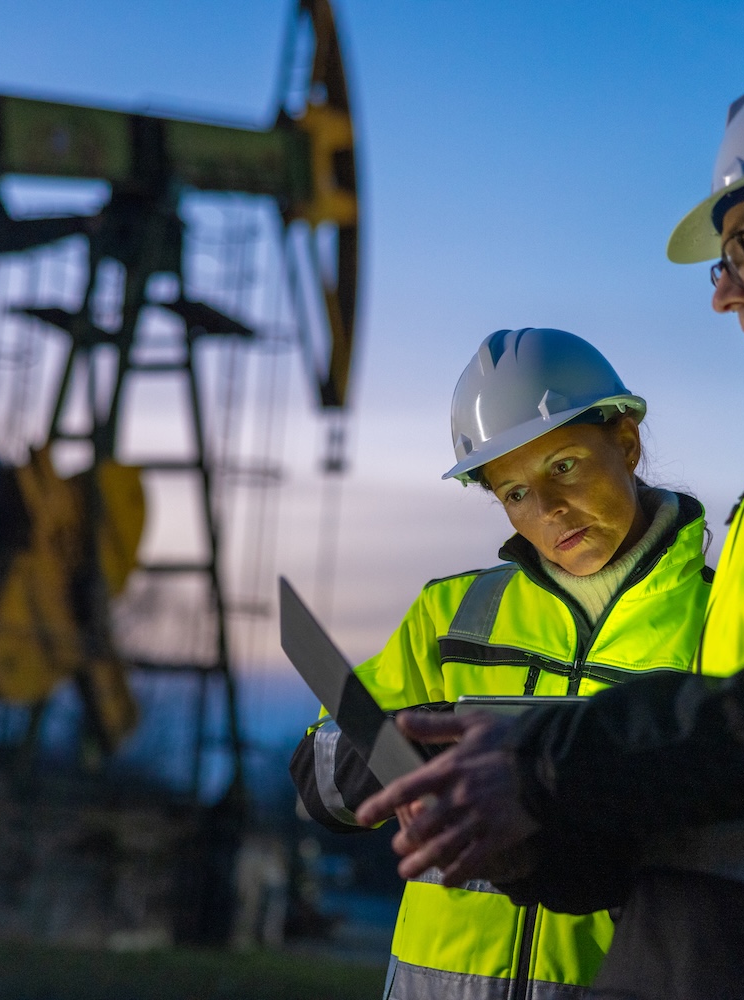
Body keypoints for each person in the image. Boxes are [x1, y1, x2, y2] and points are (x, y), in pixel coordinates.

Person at [355, 65, 744, 999]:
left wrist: (546, 761)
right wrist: (546, 845)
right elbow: (738, 783)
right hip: (718, 960)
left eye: (743, 252)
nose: (724, 296)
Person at [290, 326, 712, 999]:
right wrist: (428, 748)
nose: (546, 511)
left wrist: (533, 759)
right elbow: (320, 778)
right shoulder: (452, 617)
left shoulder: (718, 622)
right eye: (514, 493)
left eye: (564, 466)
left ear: (627, 443)